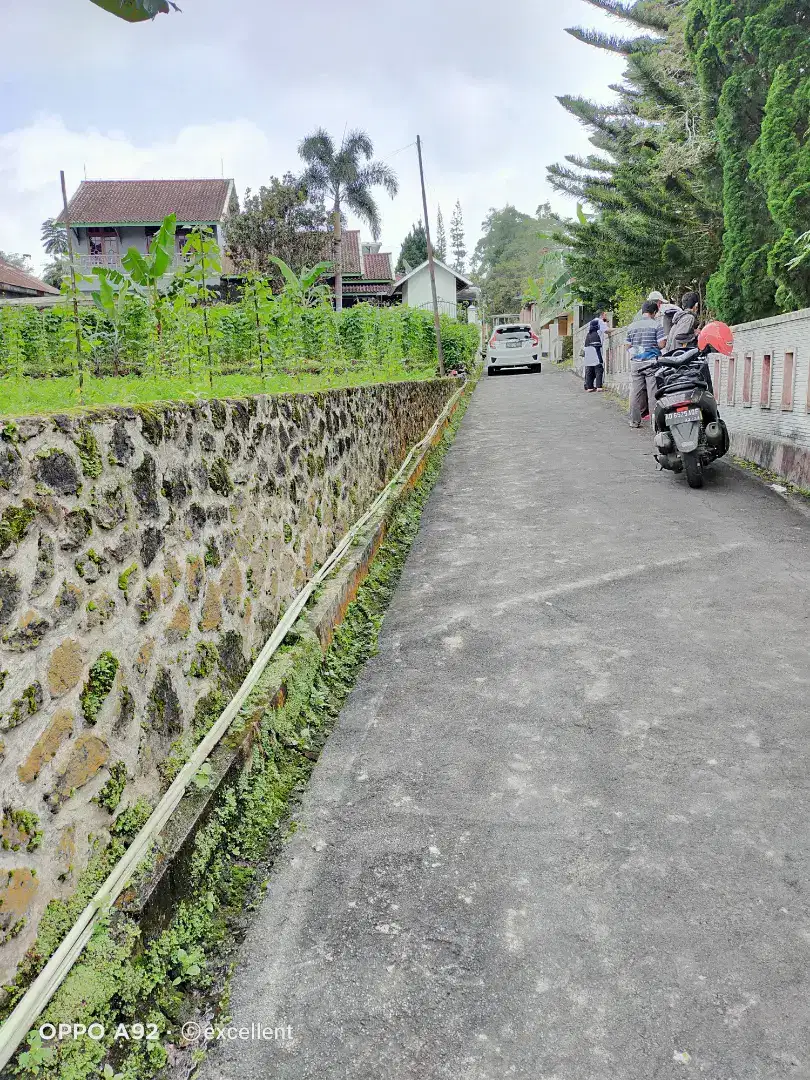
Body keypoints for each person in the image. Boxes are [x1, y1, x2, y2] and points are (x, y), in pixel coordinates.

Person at [626, 300, 662, 427]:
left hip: (636, 363)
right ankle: (655, 422)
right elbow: (661, 344)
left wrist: (638, 350)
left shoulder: (631, 326)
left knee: (635, 391)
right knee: (653, 392)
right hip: (651, 362)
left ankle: (634, 421)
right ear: (654, 312)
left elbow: (627, 345)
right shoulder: (656, 325)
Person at [583, 319, 604, 392]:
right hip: (595, 355)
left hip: (588, 356)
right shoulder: (595, 334)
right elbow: (597, 347)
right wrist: (600, 359)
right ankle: (599, 387)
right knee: (599, 370)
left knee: (589, 371)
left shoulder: (588, 334)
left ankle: (589, 387)